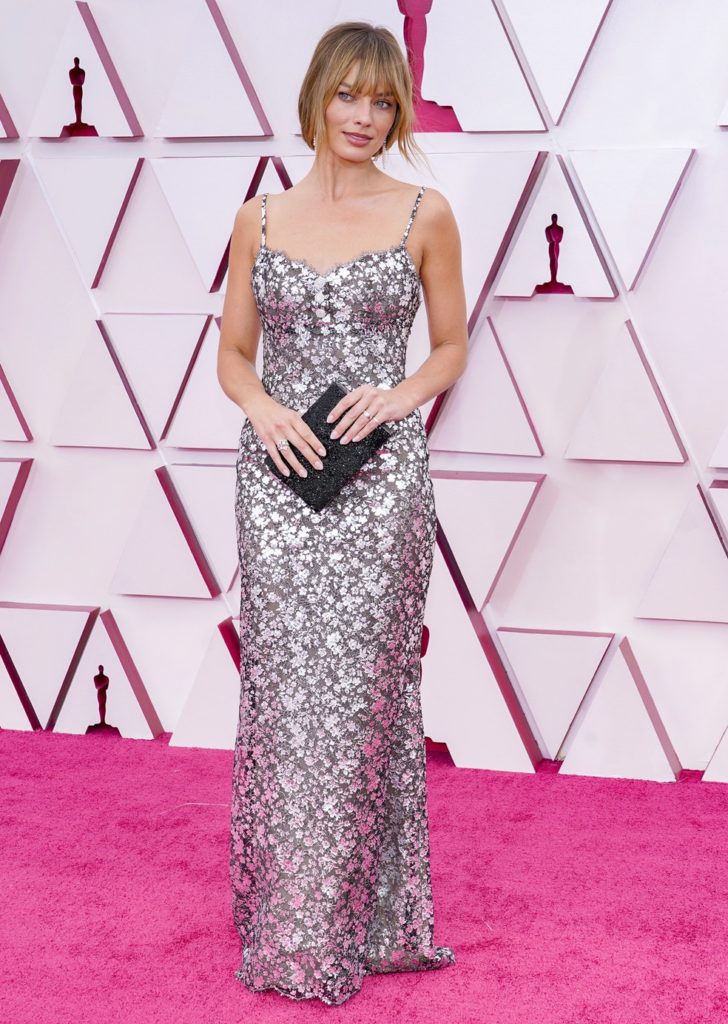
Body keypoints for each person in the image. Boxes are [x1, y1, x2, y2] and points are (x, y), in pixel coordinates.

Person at [217, 19, 468, 1006]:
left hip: (380, 485)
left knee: (364, 694)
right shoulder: (258, 219)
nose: (363, 116)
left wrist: (399, 396)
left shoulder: (424, 213)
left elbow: (449, 345)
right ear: (317, 95)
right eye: (347, 95)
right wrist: (263, 407)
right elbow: (234, 355)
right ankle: (284, 914)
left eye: (382, 100)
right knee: (285, 693)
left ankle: (364, 922)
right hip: (277, 481)